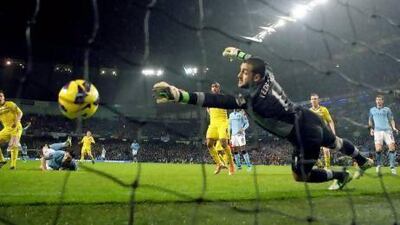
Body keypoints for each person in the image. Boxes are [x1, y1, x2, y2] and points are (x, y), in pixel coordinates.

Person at [153, 47, 374, 190]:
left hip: (303, 136)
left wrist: (180, 96)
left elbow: (216, 100)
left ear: (255, 78)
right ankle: (363, 160)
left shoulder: (252, 99)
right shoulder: (267, 74)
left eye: (244, 72)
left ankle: (340, 175)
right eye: (240, 70)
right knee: (335, 142)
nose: (239, 75)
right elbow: (262, 62)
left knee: (300, 176)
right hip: (307, 117)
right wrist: (240, 54)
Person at [206, 82, 235, 175]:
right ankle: (219, 164)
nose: (214, 88)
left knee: (223, 143)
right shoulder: (208, 99)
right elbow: (208, 109)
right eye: (213, 87)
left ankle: (231, 165)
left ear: (219, 89)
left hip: (223, 122)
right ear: (211, 89)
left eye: (216, 87)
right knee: (209, 144)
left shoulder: (223, 98)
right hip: (213, 123)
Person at [369, 95, 398, 175]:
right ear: (375, 101)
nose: (378, 101)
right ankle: (378, 165)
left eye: (380, 100)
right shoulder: (372, 110)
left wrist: (394, 128)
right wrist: (371, 128)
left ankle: (392, 167)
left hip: (388, 131)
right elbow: (370, 120)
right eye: (377, 100)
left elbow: (391, 119)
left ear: (382, 101)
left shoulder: (387, 109)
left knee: (392, 148)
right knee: (378, 149)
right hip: (377, 132)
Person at [309, 93, 336, 169]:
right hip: (314, 134)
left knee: (326, 150)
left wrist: (333, 132)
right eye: (312, 99)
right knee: (311, 151)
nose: (314, 100)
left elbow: (330, 121)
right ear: (310, 101)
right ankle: (319, 164)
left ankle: (327, 167)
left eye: (315, 99)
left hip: (324, 133)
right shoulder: (309, 111)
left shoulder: (323, 109)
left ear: (318, 100)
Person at [0, 90, 23, 170]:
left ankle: (13, 165)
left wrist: (16, 122)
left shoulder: (10, 104)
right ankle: (2, 160)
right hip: (6, 129)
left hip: (16, 127)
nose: (0, 98)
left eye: (1, 96)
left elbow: (20, 113)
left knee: (14, 146)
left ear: (4, 97)